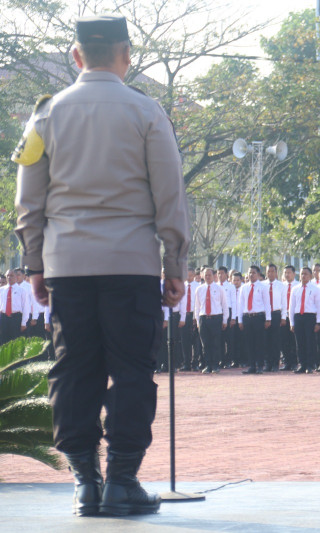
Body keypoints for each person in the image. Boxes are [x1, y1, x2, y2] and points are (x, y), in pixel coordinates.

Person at [13, 14, 190, 517]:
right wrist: (173, 260)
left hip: (67, 264)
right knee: (133, 370)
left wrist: (34, 263)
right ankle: (122, 481)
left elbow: (29, 201)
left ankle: (84, 483)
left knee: (73, 370)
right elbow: (169, 195)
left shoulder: (44, 116)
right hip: (131, 264)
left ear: (75, 56)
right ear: (126, 55)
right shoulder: (147, 111)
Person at [194, 267, 229, 374]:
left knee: (216, 343)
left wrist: (224, 320)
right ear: (202, 276)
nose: (208, 277)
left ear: (213, 276)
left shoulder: (219, 288)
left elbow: (224, 305)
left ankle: (215, 365)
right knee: (205, 344)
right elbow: (197, 307)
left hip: (216, 317)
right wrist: (197, 321)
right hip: (204, 318)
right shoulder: (199, 289)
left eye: (209, 275)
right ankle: (208, 365)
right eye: (206, 275)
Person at [289, 267, 320, 373]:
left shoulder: (315, 289)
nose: (303, 276)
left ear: (310, 276)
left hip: (310, 317)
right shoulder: (295, 289)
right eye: (302, 274)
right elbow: (292, 307)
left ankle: (310, 364)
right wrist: (291, 322)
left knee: (310, 341)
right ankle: (302, 364)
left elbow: (319, 307)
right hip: (298, 316)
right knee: (300, 342)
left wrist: (318, 322)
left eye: (306, 274)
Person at [239, 266, 271, 374]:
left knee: (259, 342)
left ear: (258, 274)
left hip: (259, 317)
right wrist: (240, 320)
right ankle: (252, 366)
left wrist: (268, 319)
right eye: (249, 273)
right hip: (247, 317)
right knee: (249, 342)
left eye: (253, 273)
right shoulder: (244, 287)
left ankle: (260, 366)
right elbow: (241, 304)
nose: (251, 275)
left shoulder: (263, 287)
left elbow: (267, 303)